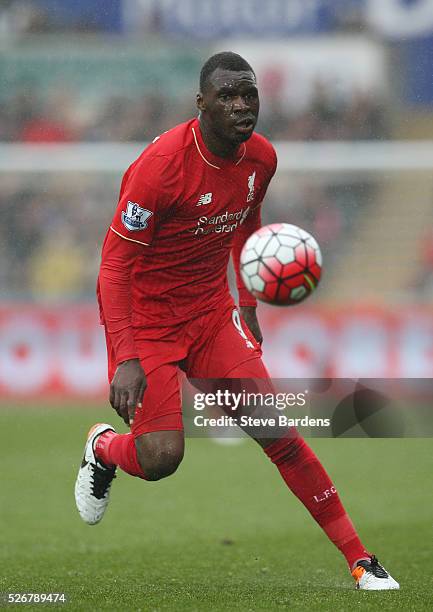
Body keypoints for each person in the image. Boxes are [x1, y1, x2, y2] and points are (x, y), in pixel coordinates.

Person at [74, 52, 399, 591]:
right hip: (148, 323)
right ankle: (102, 448)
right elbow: (113, 268)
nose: (241, 105)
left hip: (209, 314)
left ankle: (361, 559)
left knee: (279, 433)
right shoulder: (161, 168)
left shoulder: (262, 158)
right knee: (160, 459)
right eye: (226, 96)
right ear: (201, 105)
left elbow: (248, 221)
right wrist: (127, 355)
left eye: (248, 94)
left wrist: (247, 304)